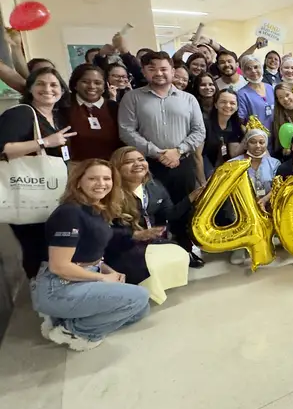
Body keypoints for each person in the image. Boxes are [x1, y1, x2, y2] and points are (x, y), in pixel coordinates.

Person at [31, 159, 150, 351]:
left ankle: (61, 317)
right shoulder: (69, 213)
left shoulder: (96, 209)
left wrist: (106, 269)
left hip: (82, 277)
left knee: (140, 310)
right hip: (59, 286)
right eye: (93, 178)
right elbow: (59, 266)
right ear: (78, 181)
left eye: (106, 178)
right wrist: (103, 279)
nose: (101, 184)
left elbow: (89, 252)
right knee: (139, 298)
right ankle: (73, 330)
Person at [118, 51, 205, 266]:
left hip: (182, 162)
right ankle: (154, 255)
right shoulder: (132, 98)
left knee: (185, 207)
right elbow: (126, 131)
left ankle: (185, 251)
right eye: (152, 68)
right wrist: (157, 152)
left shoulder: (188, 99)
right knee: (151, 210)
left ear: (173, 71)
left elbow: (198, 131)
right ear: (144, 72)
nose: (159, 73)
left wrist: (178, 150)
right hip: (147, 166)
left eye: (164, 68)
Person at [0, 67, 76, 279]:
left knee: (54, 246)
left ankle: (55, 290)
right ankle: (40, 293)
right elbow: (2, 149)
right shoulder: (22, 113)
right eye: (41, 84)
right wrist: (44, 142)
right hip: (28, 193)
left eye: (54, 85)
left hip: (54, 194)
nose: (48, 89)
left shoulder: (55, 116)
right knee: (36, 248)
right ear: (30, 88)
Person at [107, 147, 196, 297]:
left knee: (180, 253)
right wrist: (134, 235)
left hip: (151, 242)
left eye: (141, 160)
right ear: (116, 168)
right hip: (122, 246)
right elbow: (104, 231)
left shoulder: (155, 186)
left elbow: (170, 214)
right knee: (146, 265)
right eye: (129, 162)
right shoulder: (109, 193)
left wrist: (191, 197)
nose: (137, 164)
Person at [227, 122, 281, 265]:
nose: (258, 146)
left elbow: (278, 186)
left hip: (267, 204)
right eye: (253, 142)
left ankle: (269, 238)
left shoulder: (274, 163)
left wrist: (264, 199)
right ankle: (239, 246)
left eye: (261, 142)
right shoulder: (233, 164)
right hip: (242, 206)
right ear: (246, 144)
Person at [65, 63, 121, 162]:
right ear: (75, 84)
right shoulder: (64, 107)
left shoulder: (115, 108)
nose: (92, 86)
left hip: (110, 167)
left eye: (97, 83)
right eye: (85, 82)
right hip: (75, 168)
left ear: (105, 86)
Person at [201, 88, 244, 176]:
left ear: (237, 107)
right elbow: (197, 156)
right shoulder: (205, 124)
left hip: (226, 171)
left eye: (232, 103)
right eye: (223, 102)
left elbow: (234, 154)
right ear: (216, 104)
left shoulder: (236, 126)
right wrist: (202, 182)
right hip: (204, 169)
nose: (228, 106)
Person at [236, 55, 276, 134]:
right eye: (248, 69)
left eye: (256, 67)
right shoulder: (242, 94)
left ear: (261, 68)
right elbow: (241, 122)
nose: (253, 71)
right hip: (257, 139)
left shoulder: (270, 88)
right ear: (243, 72)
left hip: (276, 135)